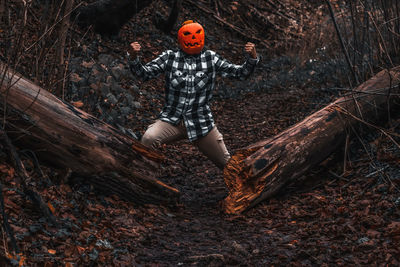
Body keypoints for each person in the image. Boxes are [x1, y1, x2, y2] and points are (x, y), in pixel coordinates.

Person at [128, 20, 259, 170]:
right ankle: (145, 179)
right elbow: (144, 74)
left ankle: (249, 185)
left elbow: (239, 74)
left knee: (228, 166)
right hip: (172, 120)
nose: (193, 38)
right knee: (148, 139)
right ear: (180, 39)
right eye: (188, 35)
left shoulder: (211, 58)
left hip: (201, 123)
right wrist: (133, 58)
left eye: (197, 34)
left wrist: (252, 58)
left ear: (202, 36)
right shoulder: (169, 57)